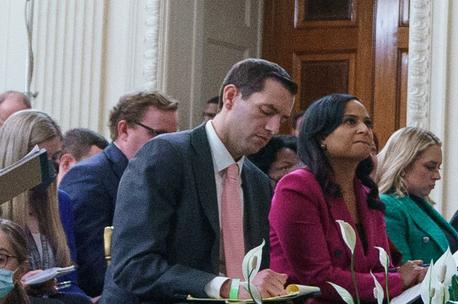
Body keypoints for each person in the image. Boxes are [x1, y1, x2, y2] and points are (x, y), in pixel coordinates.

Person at [102, 59, 298, 304]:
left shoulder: (258, 182)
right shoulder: (164, 156)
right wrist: (227, 287)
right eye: (266, 111)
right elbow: (134, 265)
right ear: (230, 96)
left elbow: (252, 274)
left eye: (282, 119)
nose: (273, 127)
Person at [269, 95, 424, 303]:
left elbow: (378, 268)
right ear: (321, 136)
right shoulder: (296, 188)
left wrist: (413, 274)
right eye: (350, 121)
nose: (364, 130)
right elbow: (318, 279)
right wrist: (397, 280)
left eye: (367, 123)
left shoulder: (367, 193)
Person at [61, 90, 179, 298]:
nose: (168, 144)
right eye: (158, 135)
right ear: (123, 129)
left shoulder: (162, 177)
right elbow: (92, 264)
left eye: (174, 136)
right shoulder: (89, 176)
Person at [0, 111, 88, 302]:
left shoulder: (60, 202)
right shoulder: (2, 200)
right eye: (43, 159)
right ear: (20, 158)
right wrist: (19, 285)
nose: (52, 167)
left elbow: (69, 280)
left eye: (55, 157)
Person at [377, 127, 458, 265]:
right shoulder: (389, 206)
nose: (437, 176)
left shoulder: (419, 204)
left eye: (438, 168)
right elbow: (403, 272)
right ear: (403, 164)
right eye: (430, 167)